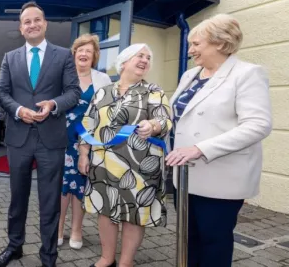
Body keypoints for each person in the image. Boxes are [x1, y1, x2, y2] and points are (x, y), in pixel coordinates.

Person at [165, 14, 272, 267]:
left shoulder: (247, 74)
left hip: (221, 176)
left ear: (221, 44)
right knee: (188, 239)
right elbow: (179, 115)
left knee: (213, 241)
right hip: (186, 175)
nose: (190, 50)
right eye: (190, 44)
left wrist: (200, 148)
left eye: (196, 44)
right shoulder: (190, 75)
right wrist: (158, 125)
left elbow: (258, 125)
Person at [0, 1, 81, 267]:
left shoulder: (64, 55)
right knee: (17, 198)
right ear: (21, 28)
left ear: (45, 23)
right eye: (27, 21)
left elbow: (73, 92)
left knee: (50, 201)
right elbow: (2, 93)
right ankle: (14, 246)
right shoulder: (10, 57)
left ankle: (48, 256)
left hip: (51, 138)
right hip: (18, 138)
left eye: (36, 20)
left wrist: (53, 105)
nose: (32, 24)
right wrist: (19, 110)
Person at [78, 43, 172, 267]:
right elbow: (87, 125)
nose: (145, 60)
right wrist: (83, 154)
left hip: (140, 166)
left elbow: (165, 119)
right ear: (124, 62)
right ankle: (106, 258)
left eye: (148, 58)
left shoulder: (153, 91)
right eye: (140, 56)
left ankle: (126, 262)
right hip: (103, 163)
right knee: (105, 210)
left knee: (135, 213)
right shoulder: (103, 92)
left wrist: (153, 125)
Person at [58, 34, 112, 250]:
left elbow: (106, 113)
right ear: (74, 54)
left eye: (88, 51)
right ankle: (59, 228)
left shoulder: (103, 80)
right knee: (60, 186)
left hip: (87, 141)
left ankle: (77, 229)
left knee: (80, 186)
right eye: (80, 49)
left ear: (94, 56)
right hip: (61, 139)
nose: (83, 53)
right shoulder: (62, 76)